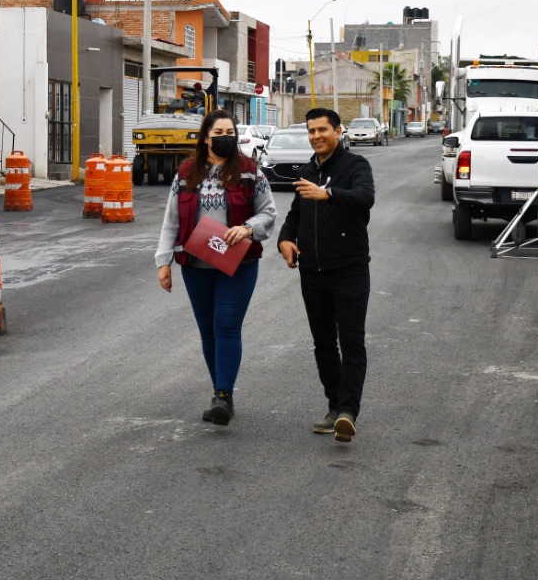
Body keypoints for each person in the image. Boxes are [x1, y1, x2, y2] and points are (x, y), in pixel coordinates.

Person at [155, 110, 276, 425]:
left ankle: (223, 395)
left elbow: (268, 212)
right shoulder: (186, 173)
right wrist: (163, 261)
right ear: (206, 137)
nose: (226, 136)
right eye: (219, 131)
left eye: (230, 131)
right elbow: (172, 220)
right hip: (196, 265)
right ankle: (220, 390)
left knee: (225, 325)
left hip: (239, 263)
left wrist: (248, 228)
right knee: (208, 331)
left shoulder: (250, 172)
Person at [276, 108, 375, 443]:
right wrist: (285, 239)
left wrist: (328, 194)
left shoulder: (355, 166)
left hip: (349, 269)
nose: (316, 135)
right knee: (323, 345)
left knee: (351, 342)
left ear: (338, 131)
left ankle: (348, 411)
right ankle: (334, 406)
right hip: (313, 272)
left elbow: (365, 198)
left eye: (322, 129)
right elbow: (295, 214)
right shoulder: (307, 171)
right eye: (311, 131)